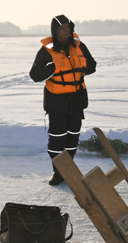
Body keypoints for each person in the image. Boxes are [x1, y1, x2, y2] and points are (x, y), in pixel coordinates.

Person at [29, 14, 97, 185]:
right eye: (62, 28)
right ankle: (58, 172)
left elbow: (92, 66)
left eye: (68, 27)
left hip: (77, 99)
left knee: (73, 135)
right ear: (55, 31)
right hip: (57, 101)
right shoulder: (47, 50)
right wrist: (53, 68)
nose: (66, 31)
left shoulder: (79, 46)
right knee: (57, 139)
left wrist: (82, 68)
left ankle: (68, 168)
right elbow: (34, 75)